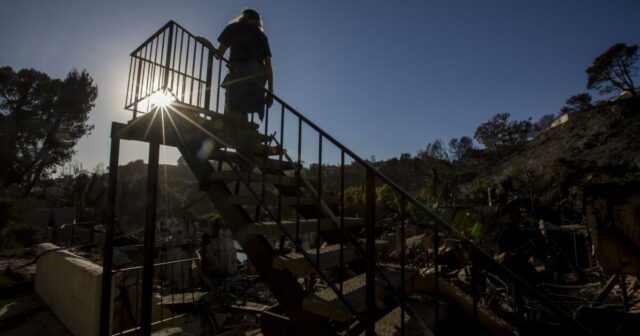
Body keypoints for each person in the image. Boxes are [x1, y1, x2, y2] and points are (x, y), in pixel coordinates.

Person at [201, 9, 274, 122]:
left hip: (237, 77)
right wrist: (270, 91)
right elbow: (268, 67)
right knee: (242, 113)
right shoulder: (263, 37)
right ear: (258, 22)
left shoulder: (234, 27)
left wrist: (209, 46)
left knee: (233, 112)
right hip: (256, 83)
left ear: (243, 17)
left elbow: (218, 55)